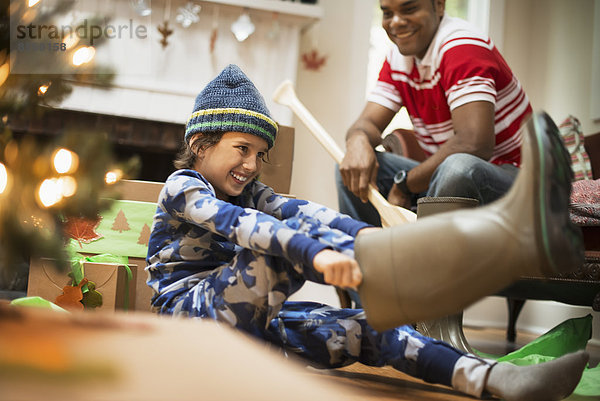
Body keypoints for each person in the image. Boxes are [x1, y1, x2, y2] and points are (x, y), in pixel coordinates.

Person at [146, 64, 587, 401]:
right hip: (191, 326)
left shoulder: (254, 192)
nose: (251, 165)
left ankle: (494, 378)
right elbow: (245, 227)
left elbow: (314, 214)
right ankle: (457, 253)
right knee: (282, 235)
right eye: (242, 149)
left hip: (252, 330)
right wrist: (316, 256)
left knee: (369, 328)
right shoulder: (183, 186)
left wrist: (377, 240)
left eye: (260, 154)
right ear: (201, 144)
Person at [337, 0, 533, 226]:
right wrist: (358, 142)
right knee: (351, 169)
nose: (396, 22)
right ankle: (369, 252)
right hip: (452, 175)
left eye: (409, 9)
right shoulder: (398, 59)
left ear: (439, 6)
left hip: (518, 179)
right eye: (387, 13)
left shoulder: (462, 46)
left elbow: (474, 144)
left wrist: (404, 185)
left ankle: (427, 259)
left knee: (458, 168)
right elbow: (367, 123)